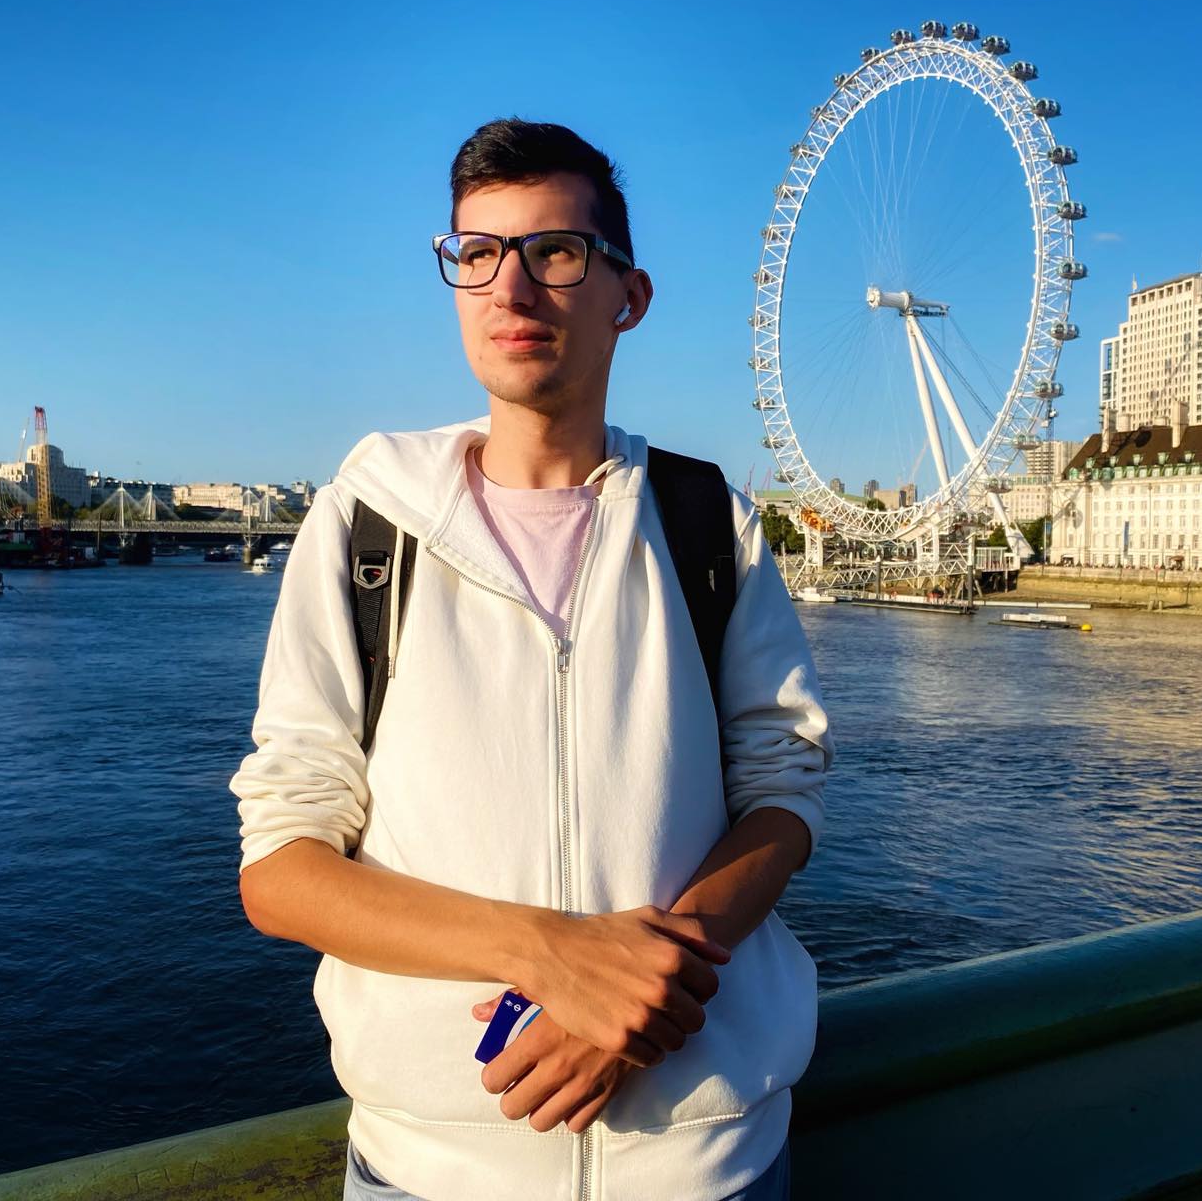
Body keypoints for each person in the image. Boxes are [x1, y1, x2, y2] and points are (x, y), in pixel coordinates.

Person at [228, 118, 834, 1201]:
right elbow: (281, 867)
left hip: (705, 1165)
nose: (510, 288)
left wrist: (641, 999)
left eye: (556, 252)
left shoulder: (708, 524)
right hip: (429, 1172)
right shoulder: (368, 528)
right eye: (477, 253)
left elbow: (782, 796)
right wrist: (549, 954)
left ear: (628, 296)